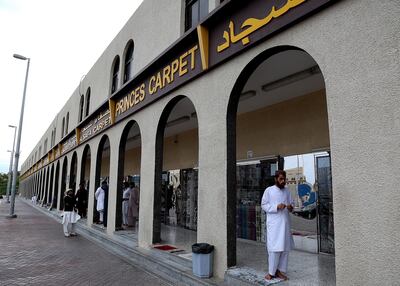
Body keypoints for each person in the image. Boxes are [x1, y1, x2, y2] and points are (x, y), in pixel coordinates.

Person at [261, 170, 294, 281]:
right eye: (281, 179)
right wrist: (276, 207)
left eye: (284, 179)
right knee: (274, 249)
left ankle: (280, 271)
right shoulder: (269, 191)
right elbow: (264, 205)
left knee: (284, 249)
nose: (283, 181)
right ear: (275, 179)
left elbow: (292, 204)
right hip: (274, 225)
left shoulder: (287, 191)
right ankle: (271, 272)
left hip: (285, 224)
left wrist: (290, 207)